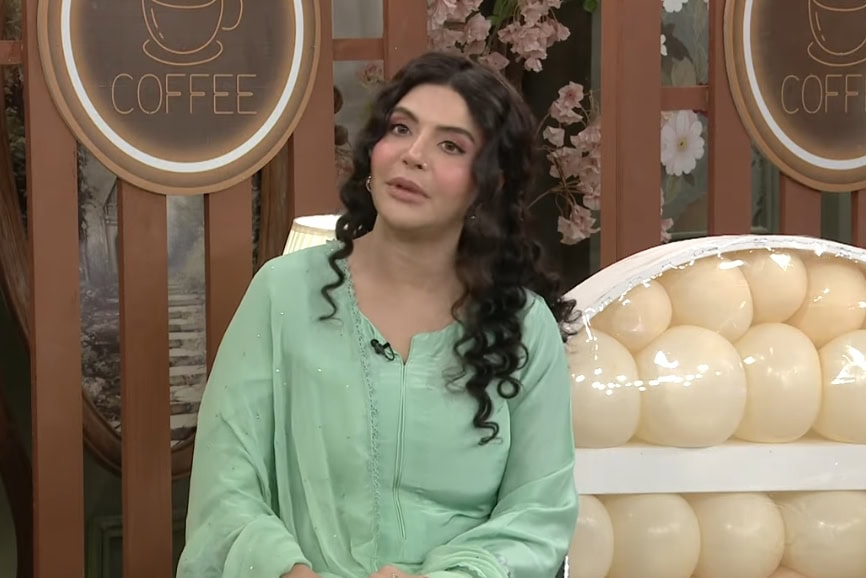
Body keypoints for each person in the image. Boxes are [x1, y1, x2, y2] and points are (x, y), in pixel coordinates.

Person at [176, 50, 580, 578]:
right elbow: (225, 487)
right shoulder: (284, 292)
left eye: (451, 145)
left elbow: (538, 516)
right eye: (401, 129)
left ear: (490, 184)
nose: (413, 155)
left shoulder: (525, 327)